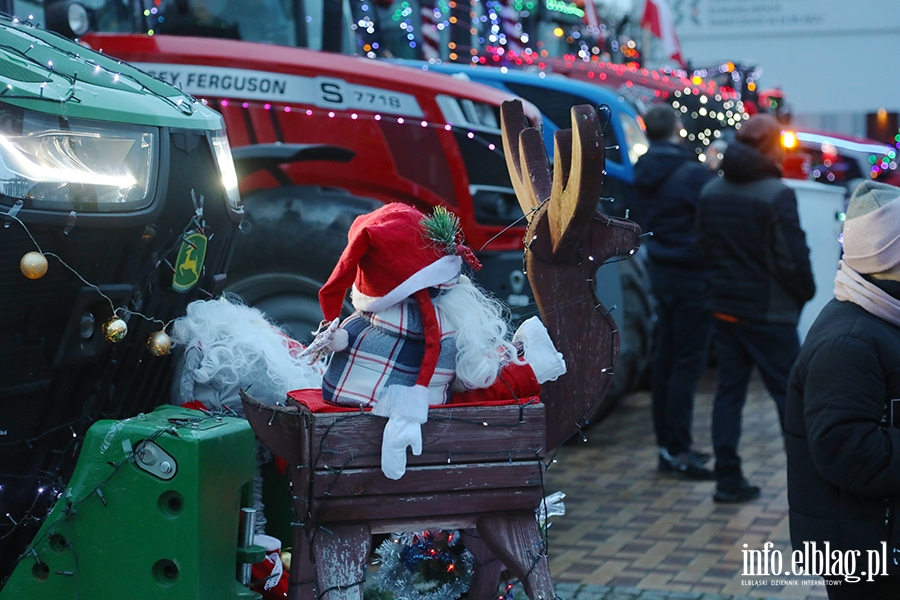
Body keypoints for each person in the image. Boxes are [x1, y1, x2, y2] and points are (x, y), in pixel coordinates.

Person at [786, 181, 900, 597]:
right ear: (888, 256)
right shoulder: (849, 340)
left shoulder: (881, 313)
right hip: (865, 552)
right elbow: (848, 450)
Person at [697, 113, 815, 503]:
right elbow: (791, 256)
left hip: (726, 308)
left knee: (729, 394)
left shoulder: (711, 192)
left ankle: (727, 479)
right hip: (769, 313)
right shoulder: (776, 193)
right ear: (769, 147)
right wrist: (805, 292)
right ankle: (808, 481)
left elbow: (705, 249)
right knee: (791, 398)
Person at [633, 105, 715, 480]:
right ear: (677, 129)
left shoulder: (643, 170)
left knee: (665, 358)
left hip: (659, 273)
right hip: (692, 275)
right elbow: (708, 216)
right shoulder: (692, 174)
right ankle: (679, 447)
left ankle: (667, 446)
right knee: (687, 362)